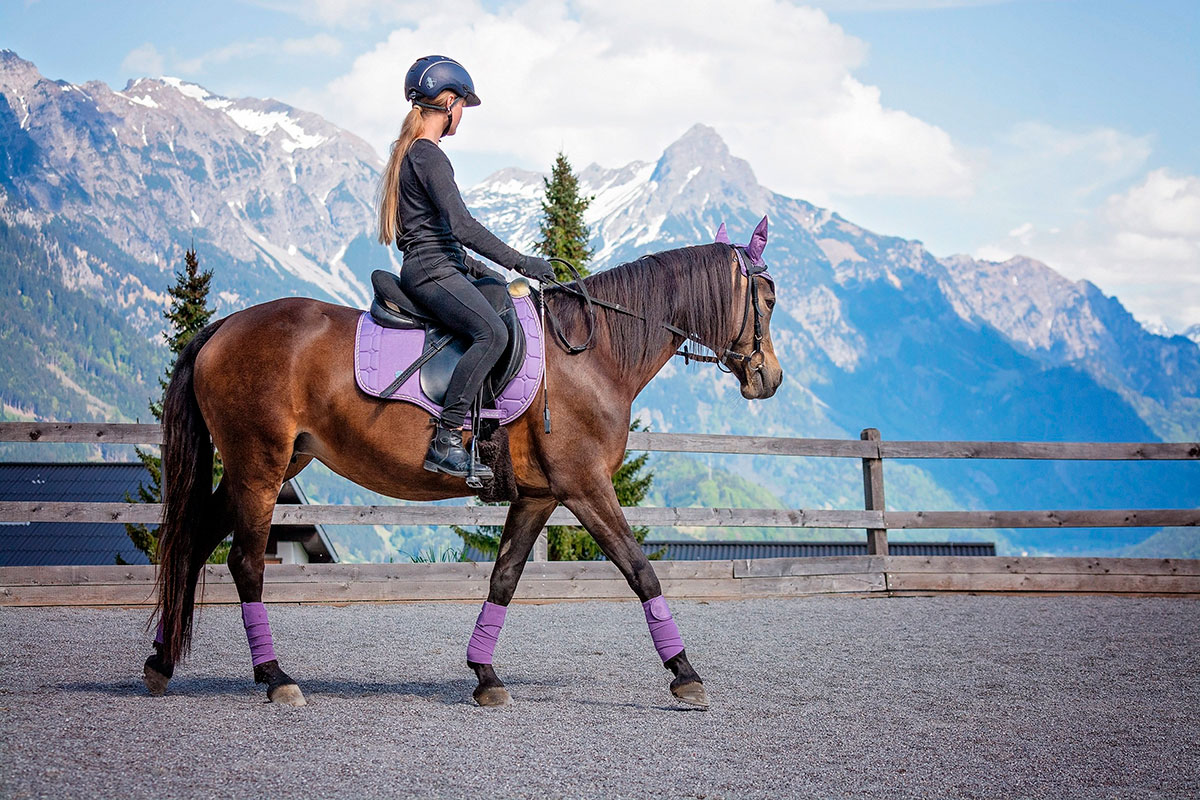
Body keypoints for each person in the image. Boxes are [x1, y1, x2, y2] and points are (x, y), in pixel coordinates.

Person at [376, 55, 556, 481]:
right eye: (461, 107)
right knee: (491, 332)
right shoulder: (429, 155)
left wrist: (483, 272)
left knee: (496, 298)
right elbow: (461, 226)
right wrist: (521, 262)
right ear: (450, 103)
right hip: (430, 271)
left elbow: (442, 235)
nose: (461, 117)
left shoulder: (413, 154)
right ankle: (446, 438)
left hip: (437, 264)